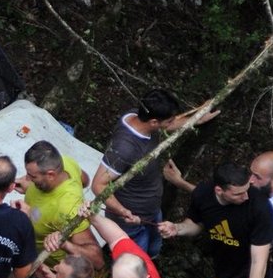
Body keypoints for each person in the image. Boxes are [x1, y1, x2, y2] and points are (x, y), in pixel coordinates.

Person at [91, 88, 213, 257]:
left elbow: (170, 124)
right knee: (137, 260)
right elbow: (98, 185)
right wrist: (123, 211)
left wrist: (197, 118)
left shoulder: (138, 116)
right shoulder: (124, 148)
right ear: (154, 122)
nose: (172, 123)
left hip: (152, 209)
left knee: (154, 248)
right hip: (131, 219)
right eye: (169, 120)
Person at [159, 160, 273, 278]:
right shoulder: (203, 194)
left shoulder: (260, 208)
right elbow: (196, 224)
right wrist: (177, 228)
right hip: (223, 272)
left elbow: (259, 262)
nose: (246, 196)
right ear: (219, 190)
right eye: (238, 194)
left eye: (247, 189)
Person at [18, 140, 102, 273]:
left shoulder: (67, 208)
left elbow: (97, 261)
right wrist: (30, 187)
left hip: (51, 269)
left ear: (51, 174)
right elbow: (85, 180)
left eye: (32, 176)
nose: (27, 178)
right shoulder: (64, 162)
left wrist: (64, 243)